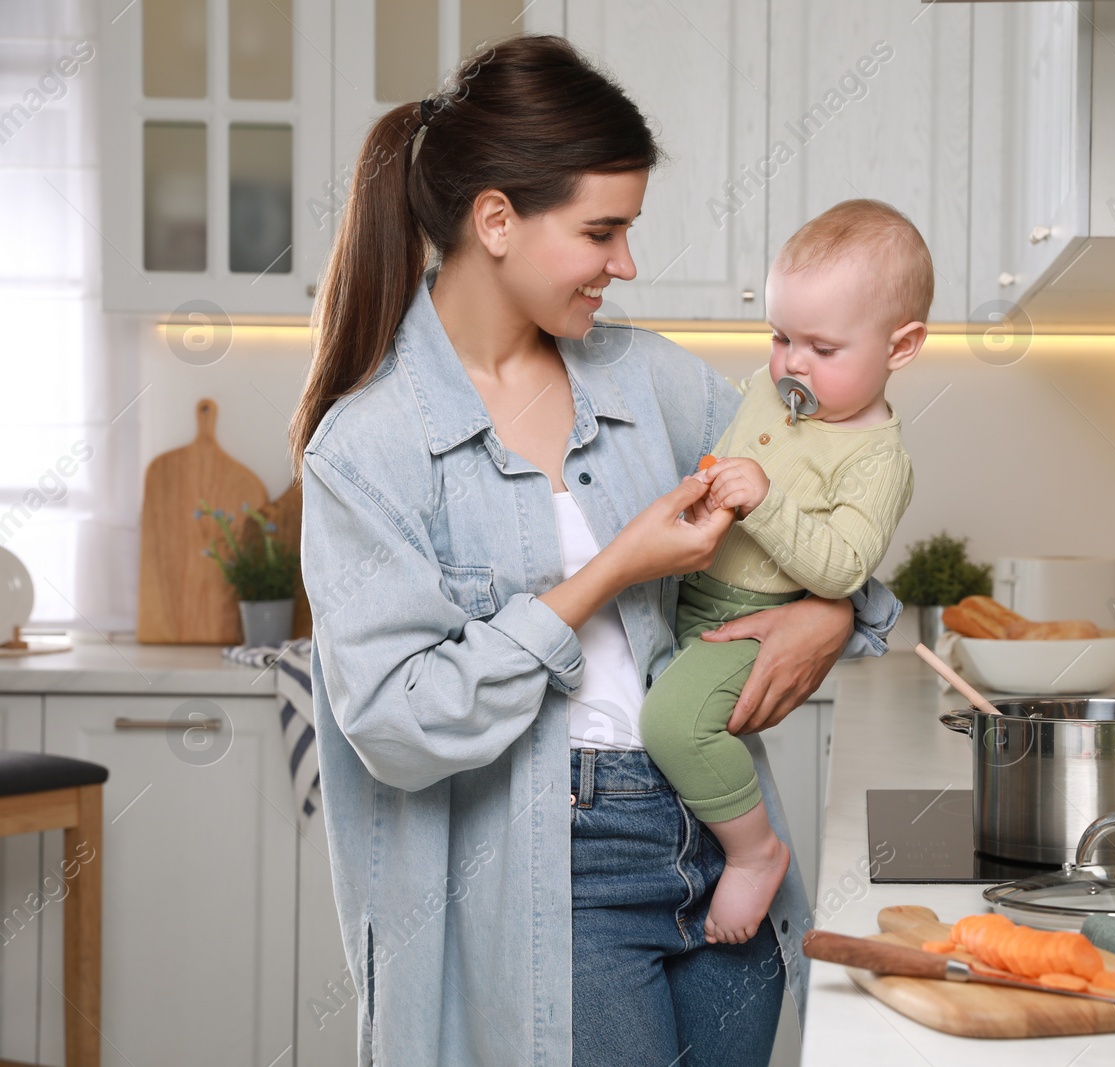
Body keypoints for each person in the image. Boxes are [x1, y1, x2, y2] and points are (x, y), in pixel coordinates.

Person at [287, 35, 902, 1067]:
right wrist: (609, 571)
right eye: (602, 230)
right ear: (495, 221)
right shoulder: (369, 446)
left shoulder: (645, 380)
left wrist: (830, 613)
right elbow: (397, 722)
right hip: (545, 869)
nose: (626, 263)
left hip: (716, 836)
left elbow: (824, 506)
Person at [639, 199, 927, 945]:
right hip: (689, 590)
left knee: (671, 722)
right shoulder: (768, 392)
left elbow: (842, 568)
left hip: (746, 620)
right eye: (779, 336)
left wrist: (761, 499)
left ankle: (754, 852)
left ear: (903, 346)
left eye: (822, 348)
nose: (791, 363)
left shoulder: (878, 460)